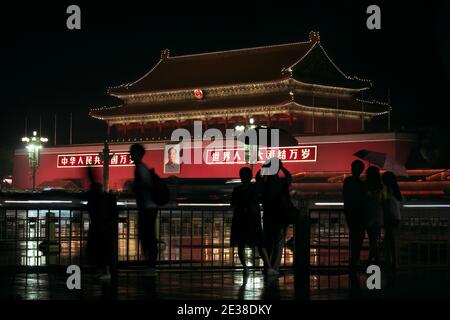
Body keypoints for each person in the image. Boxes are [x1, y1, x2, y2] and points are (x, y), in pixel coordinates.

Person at [230, 167, 278, 276]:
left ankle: (245, 267)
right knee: (260, 244)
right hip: (253, 219)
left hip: (240, 220)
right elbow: (261, 182)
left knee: (241, 245)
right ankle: (269, 267)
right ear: (250, 176)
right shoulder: (255, 188)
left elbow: (232, 204)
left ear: (241, 176)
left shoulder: (237, 190)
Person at [256, 158, 292, 273]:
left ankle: (267, 267)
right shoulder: (282, 182)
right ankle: (274, 267)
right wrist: (282, 167)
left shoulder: (265, 183)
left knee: (268, 242)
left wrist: (264, 167)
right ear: (278, 170)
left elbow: (257, 177)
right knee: (279, 243)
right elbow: (289, 177)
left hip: (268, 216)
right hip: (280, 216)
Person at [130, 144, 158, 277]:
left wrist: (135, 185)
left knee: (147, 237)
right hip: (148, 207)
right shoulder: (143, 168)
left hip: (147, 207)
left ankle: (151, 266)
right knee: (148, 236)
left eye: (131, 152)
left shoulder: (140, 168)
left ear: (137, 154)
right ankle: (150, 265)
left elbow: (146, 185)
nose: (130, 155)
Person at [86, 167, 118, 280]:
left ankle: (106, 271)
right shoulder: (103, 195)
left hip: (100, 225)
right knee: (105, 248)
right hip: (105, 226)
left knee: (101, 248)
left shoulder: (94, 194)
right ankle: (106, 271)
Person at [343, 160, 367, 271]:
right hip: (361, 213)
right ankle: (355, 257)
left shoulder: (347, 181)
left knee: (353, 236)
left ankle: (353, 259)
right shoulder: (362, 185)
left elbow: (345, 196)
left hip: (350, 212)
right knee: (359, 237)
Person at [382, 171, 402, 272]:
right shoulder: (396, 190)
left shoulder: (387, 190)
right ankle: (393, 261)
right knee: (391, 240)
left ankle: (392, 262)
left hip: (389, 217)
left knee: (390, 240)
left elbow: (385, 201)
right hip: (396, 216)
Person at [364, 166, 384, 264]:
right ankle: (373, 258)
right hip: (379, 214)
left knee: (372, 239)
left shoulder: (366, 186)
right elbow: (384, 200)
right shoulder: (382, 187)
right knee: (374, 238)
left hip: (369, 214)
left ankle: (374, 258)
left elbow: (364, 199)